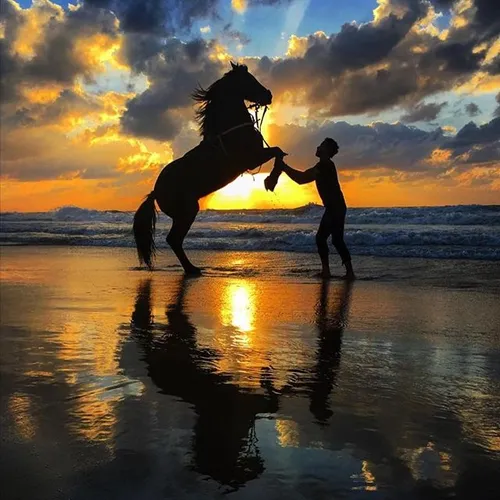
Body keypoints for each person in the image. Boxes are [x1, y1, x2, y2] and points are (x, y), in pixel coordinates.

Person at [273, 138, 355, 280]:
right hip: (338, 206)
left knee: (321, 238)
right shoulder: (325, 165)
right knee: (336, 240)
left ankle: (328, 272)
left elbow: (301, 178)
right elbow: (302, 178)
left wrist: (284, 167)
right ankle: (348, 272)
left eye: (322, 145)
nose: (318, 147)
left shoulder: (324, 166)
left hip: (334, 207)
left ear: (327, 150)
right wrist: (284, 167)